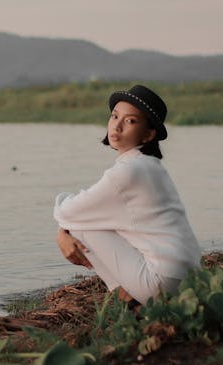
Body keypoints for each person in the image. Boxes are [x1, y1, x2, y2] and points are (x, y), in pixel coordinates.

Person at [54, 84, 201, 305]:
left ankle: (129, 298)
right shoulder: (150, 166)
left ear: (148, 134)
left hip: (163, 283)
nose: (117, 126)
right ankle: (131, 295)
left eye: (130, 121)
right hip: (193, 279)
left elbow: (67, 211)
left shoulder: (127, 172)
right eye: (114, 116)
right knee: (90, 219)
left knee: (78, 226)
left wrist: (62, 232)